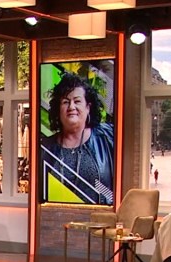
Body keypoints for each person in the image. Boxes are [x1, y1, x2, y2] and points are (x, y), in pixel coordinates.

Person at [39, 72, 115, 204]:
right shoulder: (45, 147)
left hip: (98, 216)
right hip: (57, 215)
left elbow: (111, 193)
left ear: (88, 107)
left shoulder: (107, 137)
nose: (71, 107)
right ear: (58, 109)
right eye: (65, 102)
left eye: (77, 101)